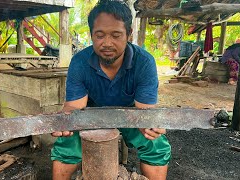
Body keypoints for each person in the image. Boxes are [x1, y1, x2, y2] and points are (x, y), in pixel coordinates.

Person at [50, 1, 171, 179]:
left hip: (130, 115)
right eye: (99, 35)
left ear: (129, 34)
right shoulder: (80, 62)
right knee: (66, 144)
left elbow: (145, 109)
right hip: (90, 115)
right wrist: (63, 119)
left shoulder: (144, 62)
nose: (107, 43)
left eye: (116, 35)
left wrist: (151, 123)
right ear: (91, 35)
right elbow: (75, 106)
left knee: (157, 144)